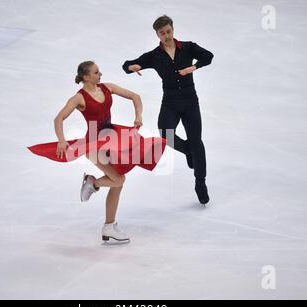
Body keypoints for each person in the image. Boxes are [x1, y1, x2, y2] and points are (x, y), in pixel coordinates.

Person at [28, 61, 166, 242]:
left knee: (120, 180)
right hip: (94, 143)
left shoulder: (107, 88)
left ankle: (109, 226)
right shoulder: (79, 98)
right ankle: (93, 184)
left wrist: (138, 115)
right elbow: (58, 118)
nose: (100, 74)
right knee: (119, 179)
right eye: (96, 72)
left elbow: (135, 96)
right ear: (86, 77)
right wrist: (62, 141)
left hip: (111, 137)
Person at [122, 15, 213, 205]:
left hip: (190, 101)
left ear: (173, 29)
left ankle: (200, 182)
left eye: (168, 31)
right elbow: (127, 65)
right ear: (157, 34)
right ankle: (188, 151)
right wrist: (132, 66)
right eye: (162, 33)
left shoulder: (188, 47)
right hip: (170, 102)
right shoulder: (155, 56)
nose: (166, 35)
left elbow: (208, 56)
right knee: (165, 134)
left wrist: (193, 68)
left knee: (197, 141)